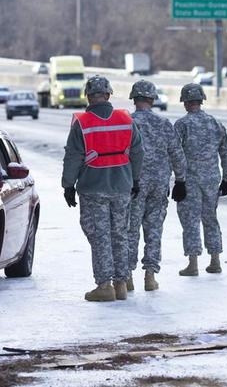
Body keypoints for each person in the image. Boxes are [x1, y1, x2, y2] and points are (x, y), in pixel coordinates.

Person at [62, 75, 144, 302]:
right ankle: (121, 284)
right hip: (122, 187)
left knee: (100, 236)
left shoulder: (82, 122)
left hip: (93, 189)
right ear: (108, 95)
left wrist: (68, 185)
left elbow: (73, 157)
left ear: (88, 96)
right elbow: (138, 153)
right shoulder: (125, 119)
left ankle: (104, 286)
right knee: (120, 234)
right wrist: (135, 180)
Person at [126, 80, 187, 292]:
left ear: (134, 99)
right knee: (154, 230)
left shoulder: (127, 122)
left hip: (133, 184)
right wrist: (180, 180)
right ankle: (150, 276)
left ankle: (128, 277)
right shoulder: (164, 123)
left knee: (130, 229)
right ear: (152, 99)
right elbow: (177, 154)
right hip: (159, 184)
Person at [174, 83, 227, 276]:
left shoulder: (182, 125)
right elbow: (226, 154)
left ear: (185, 102)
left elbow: (175, 155)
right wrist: (226, 178)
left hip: (189, 180)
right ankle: (215, 260)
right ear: (201, 100)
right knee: (210, 219)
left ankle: (193, 263)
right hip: (211, 179)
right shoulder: (215, 123)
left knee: (190, 220)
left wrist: (178, 181)